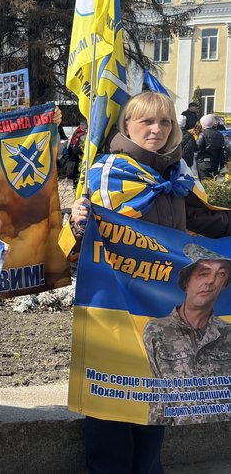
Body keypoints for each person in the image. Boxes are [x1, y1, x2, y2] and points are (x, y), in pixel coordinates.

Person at [69, 91, 231, 474]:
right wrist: (77, 221)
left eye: (165, 122)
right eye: (147, 121)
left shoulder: (177, 177)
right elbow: (85, 240)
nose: (157, 129)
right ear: (127, 126)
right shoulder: (108, 173)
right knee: (111, 400)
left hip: (160, 305)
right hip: (114, 307)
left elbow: (207, 222)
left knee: (156, 396)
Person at [143, 244, 231, 425]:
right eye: (203, 273)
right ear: (186, 281)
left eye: (221, 274)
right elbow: (159, 399)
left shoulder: (228, 334)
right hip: (179, 438)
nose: (211, 281)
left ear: (224, 284)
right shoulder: (157, 332)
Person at [195, 114, 226, 180]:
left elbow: (196, 147)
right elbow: (222, 148)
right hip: (215, 162)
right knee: (213, 181)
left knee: (204, 182)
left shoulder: (203, 134)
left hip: (203, 162)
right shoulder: (219, 134)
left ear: (203, 124)